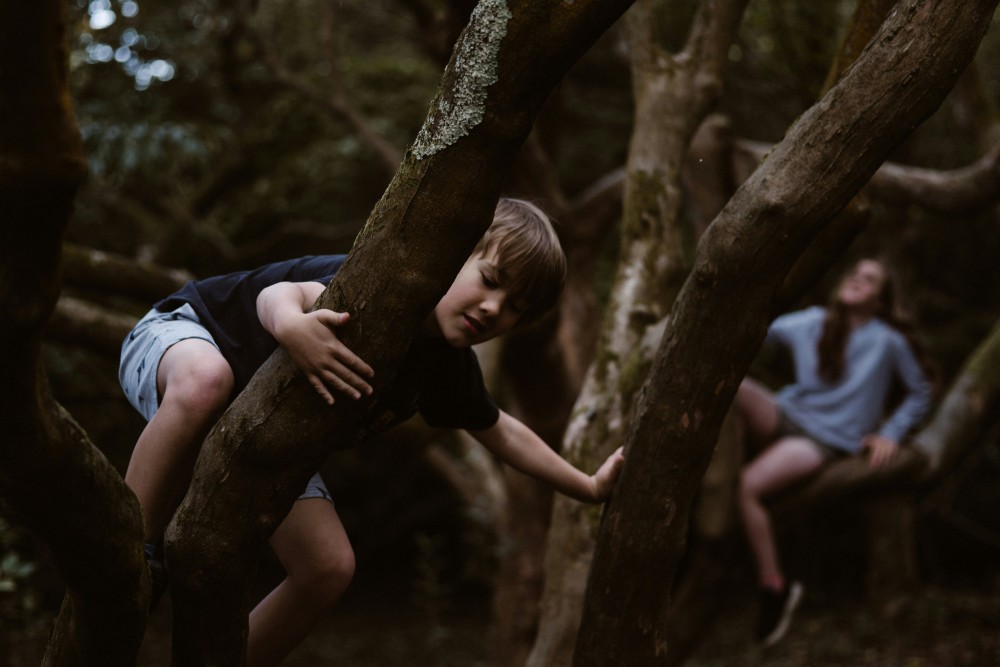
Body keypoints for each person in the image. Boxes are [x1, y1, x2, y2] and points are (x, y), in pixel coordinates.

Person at [119, 197, 625, 666]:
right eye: (490, 279)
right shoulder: (382, 287)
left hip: (259, 434)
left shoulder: (445, 365)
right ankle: (128, 552)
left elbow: (502, 432)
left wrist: (587, 487)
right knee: (208, 380)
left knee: (328, 567)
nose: (495, 308)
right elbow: (282, 293)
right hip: (180, 338)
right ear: (452, 256)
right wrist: (292, 326)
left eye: (515, 307)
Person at [733, 257, 934, 648]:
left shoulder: (887, 341)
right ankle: (715, 475)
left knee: (746, 488)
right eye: (854, 273)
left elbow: (921, 389)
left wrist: (890, 433)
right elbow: (753, 330)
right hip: (785, 414)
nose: (857, 280)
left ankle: (774, 586)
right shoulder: (812, 320)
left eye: (870, 279)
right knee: (734, 389)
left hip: (823, 440)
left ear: (880, 300)